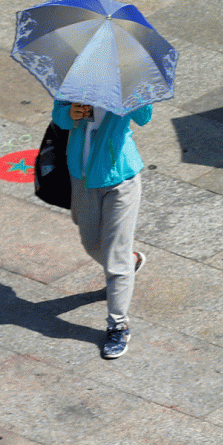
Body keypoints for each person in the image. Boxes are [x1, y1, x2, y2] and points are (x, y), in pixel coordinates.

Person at [51, 100, 152, 359]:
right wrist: (70, 114)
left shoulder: (129, 82)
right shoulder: (77, 78)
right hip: (81, 175)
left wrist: (133, 94)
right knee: (90, 242)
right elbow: (59, 118)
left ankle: (118, 325)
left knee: (115, 259)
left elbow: (144, 117)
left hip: (120, 179)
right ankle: (130, 263)